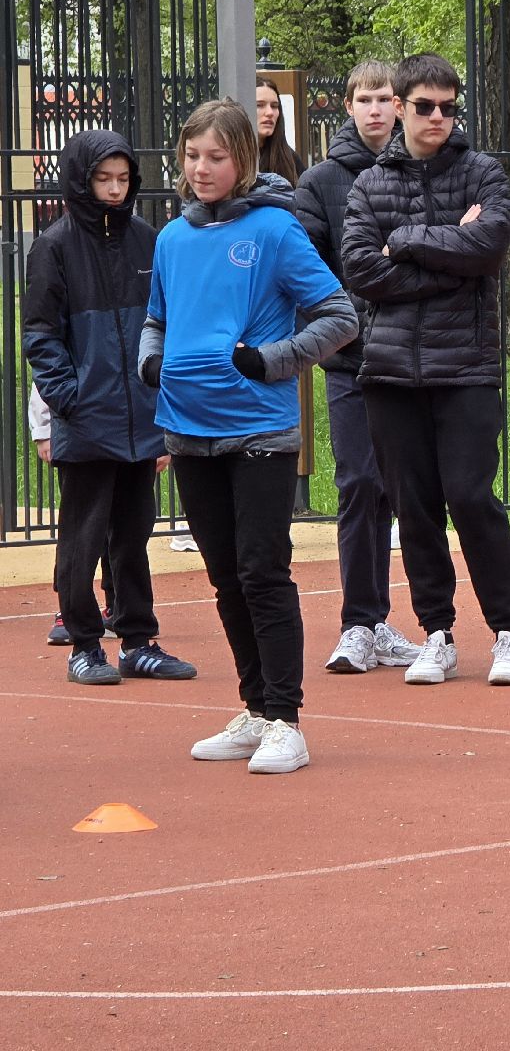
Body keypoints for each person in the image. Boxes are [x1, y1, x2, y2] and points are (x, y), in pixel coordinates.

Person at [139, 99, 357, 773]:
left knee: (263, 572)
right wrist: (149, 361)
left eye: (216, 157)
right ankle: (255, 707)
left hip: (260, 428)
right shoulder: (172, 237)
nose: (201, 169)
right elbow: (157, 318)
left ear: (243, 161)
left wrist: (272, 361)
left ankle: (287, 720)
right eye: (192, 156)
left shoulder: (274, 231)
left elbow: (339, 315)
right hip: (187, 431)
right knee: (226, 577)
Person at [342, 52, 510, 688]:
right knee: (415, 507)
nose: (439, 118)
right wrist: (448, 245)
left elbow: (488, 250)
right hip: (391, 375)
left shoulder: (484, 174)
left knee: (472, 498)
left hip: (468, 371)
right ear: (399, 107)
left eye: (450, 108)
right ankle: (438, 633)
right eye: (426, 107)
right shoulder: (370, 184)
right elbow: (362, 272)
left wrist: (410, 239)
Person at [22, 129, 197, 685]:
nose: (115, 190)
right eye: (103, 179)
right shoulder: (53, 245)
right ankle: (83, 643)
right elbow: (40, 335)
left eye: (123, 179)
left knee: (134, 533)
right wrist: (68, 398)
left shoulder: (149, 239)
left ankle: (139, 640)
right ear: (81, 178)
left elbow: (166, 322)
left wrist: (158, 401)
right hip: (86, 419)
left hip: (141, 419)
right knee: (84, 534)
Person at [294, 59, 421, 675]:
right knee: (358, 484)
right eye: (364, 98)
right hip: (349, 358)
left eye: (385, 98)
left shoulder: (423, 169)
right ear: (347, 106)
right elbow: (307, 269)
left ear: (400, 106)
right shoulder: (319, 183)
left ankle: (391, 621)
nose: (375, 108)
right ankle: (357, 623)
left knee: (402, 491)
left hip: (412, 354)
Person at [29, 385, 118, 647]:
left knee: (127, 532)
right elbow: (46, 372)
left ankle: (119, 608)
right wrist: (44, 432)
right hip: (81, 434)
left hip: (130, 437)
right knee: (81, 528)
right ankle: (68, 614)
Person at [256, 76, 304, 186]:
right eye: (259, 105)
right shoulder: (230, 157)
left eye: (274, 106)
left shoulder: (290, 159)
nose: (269, 112)